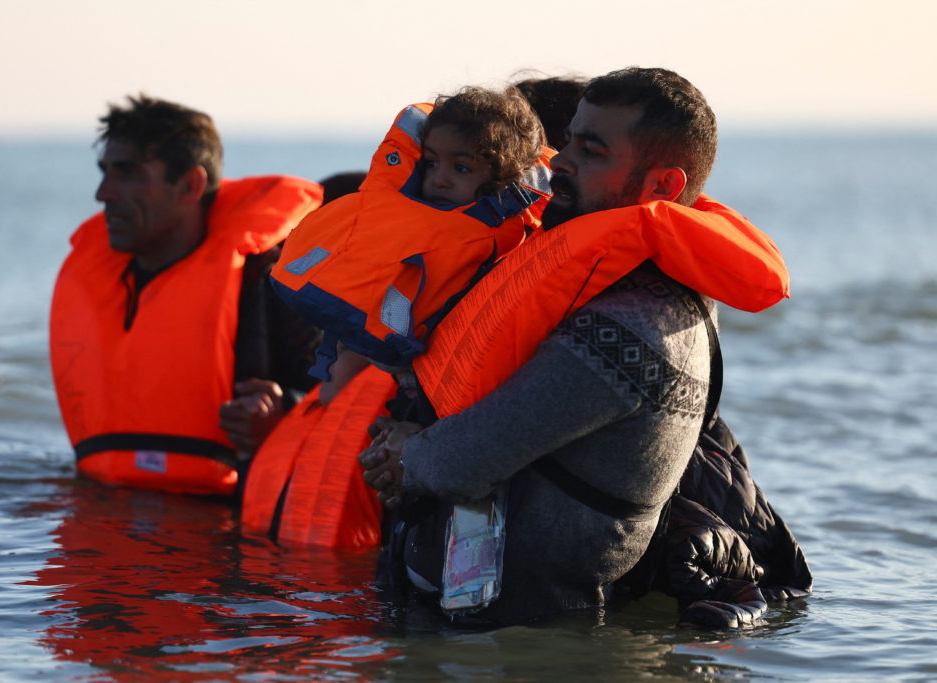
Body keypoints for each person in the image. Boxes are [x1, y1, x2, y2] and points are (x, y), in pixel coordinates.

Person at [359, 67, 799, 625]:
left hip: (532, 643)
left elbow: (462, 460)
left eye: (590, 150)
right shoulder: (611, 286)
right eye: (567, 141)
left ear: (663, 187)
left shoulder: (635, 325)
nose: (559, 161)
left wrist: (404, 452)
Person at [49, 94, 322, 497]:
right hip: (103, 507)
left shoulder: (275, 283)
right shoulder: (95, 279)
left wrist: (283, 416)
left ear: (190, 184)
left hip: (221, 524)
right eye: (104, 172)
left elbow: (346, 401)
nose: (103, 193)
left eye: (126, 173)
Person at [270, 86, 551, 388]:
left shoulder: (499, 250)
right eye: (431, 162)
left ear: (502, 180)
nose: (439, 179)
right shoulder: (393, 204)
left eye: (461, 167)